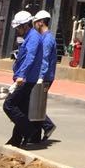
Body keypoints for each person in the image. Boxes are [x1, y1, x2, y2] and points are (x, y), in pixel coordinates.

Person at [3, 10, 37, 147]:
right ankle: (16, 139)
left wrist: (22, 75)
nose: (17, 30)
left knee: (9, 105)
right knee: (21, 108)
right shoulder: (28, 37)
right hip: (24, 77)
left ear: (25, 25)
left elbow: (30, 58)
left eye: (18, 27)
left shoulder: (33, 37)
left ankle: (29, 130)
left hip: (27, 79)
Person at [30, 9, 59, 144]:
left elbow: (44, 60)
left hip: (44, 77)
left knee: (35, 104)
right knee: (35, 104)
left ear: (41, 22)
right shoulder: (43, 37)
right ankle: (35, 135)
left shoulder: (47, 39)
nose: (34, 25)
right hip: (42, 76)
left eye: (35, 22)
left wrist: (40, 77)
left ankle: (47, 125)